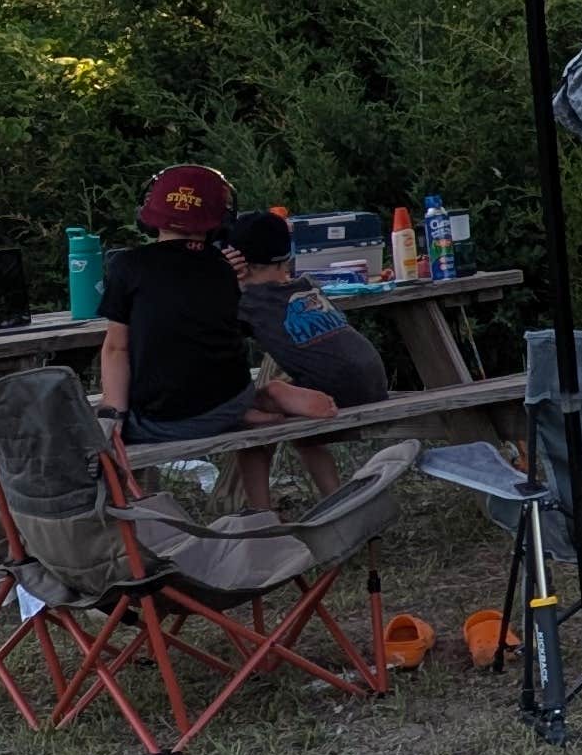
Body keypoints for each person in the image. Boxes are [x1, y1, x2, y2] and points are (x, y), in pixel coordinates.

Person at [97, 165, 334, 512]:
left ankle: (136, 517)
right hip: (230, 401)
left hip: (169, 422)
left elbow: (116, 348)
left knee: (99, 425)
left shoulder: (127, 267)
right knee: (206, 378)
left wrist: (112, 414)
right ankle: (249, 408)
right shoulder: (225, 267)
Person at [224, 210, 381, 502]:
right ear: (289, 253)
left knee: (247, 413)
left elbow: (214, 334)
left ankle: (261, 514)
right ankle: (336, 499)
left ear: (238, 261)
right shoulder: (308, 286)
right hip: (373, 378)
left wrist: (224, 281)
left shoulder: (248, 303)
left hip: (335, 391)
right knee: (304, 436)